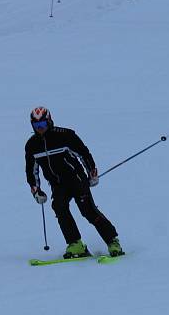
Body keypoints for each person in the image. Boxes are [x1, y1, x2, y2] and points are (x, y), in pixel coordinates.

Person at [24, 106, 124, 258]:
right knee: (59, 207)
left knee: (88, 210)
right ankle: (76, 244)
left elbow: (83, 153)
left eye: (43, 125)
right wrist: (36, 190)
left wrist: (92, 172)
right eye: (36, 126)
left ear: (49, 122)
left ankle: (112, 241)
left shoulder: (65, 135)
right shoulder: (32, 145)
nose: (40, 129)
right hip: (57, 184)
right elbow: (31, 170)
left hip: (76, 179)